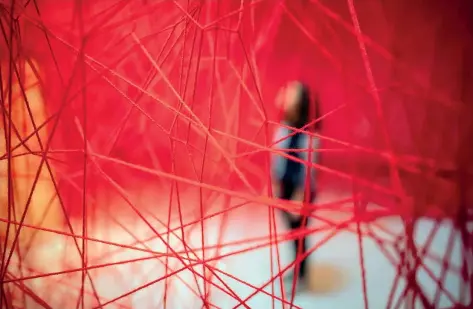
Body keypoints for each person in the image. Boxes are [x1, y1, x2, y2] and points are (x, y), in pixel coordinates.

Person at [271, 81, 322, 291]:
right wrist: (276, 188)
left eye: (291, 92)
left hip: (300, 190)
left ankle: (302, 275)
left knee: (300, 233)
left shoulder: (309, 135)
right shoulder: (283, 127)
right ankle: (297, 269)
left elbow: (308, 171)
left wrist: (299, 196)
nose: (285, 93)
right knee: (292, 233)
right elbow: (277, 160)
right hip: (285, 187)